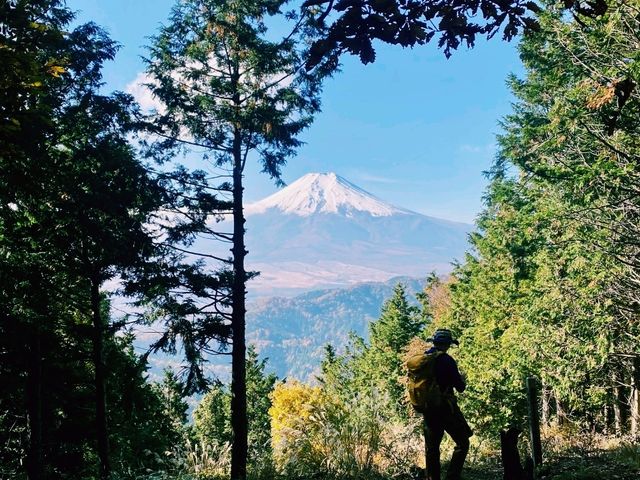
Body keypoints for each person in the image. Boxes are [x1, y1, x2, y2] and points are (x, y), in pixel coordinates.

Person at [423, 329, 472, 480]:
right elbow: (460, 387)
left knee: (432, 448)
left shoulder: (423, 358)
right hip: (446, 408)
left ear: (434, 342)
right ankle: (452, 476)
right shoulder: (447, 361)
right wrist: (461, 378)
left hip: (428, 409)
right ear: (447, 345)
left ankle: (433, 478)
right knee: (463, 442)